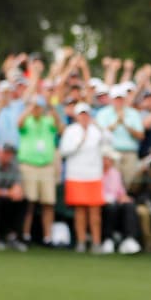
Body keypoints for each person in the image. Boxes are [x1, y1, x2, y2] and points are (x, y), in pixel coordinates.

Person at [60, 102, 106, 252]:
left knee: (95, 212)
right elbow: (64, 151)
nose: (84, 117)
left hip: (94, 175)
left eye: (86, 114)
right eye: (81, 114)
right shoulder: (71, 131)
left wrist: (97, 126)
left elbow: (109, 140)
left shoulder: (96, 130)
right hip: (76, 175)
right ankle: (81, 241)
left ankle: (96, 242)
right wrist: (80, 141)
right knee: (80, 211)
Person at [16, 96, 61, 246]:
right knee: (29, 202)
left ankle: (48, 237)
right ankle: (26, 235)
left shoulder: (48, 120)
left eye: (39, 107)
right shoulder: (27, 120)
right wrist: (30, 107)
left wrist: (51, 105)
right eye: (35, 107)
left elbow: (60, 127)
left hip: (46, 166)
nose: (37, 110)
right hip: (29, 165)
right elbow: (19, 123)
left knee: (48, 203)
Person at [100, 149, 142, 255]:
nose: (107, 162)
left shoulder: (115, 173)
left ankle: (129, 239)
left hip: (115, 202)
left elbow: (120, 192)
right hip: (101, 204)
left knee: (129, 206)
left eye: (109, 159)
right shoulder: (95, 173)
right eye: (105, 159)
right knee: (111, 208)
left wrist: (124, 197)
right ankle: (107, 240)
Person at [0, 145, 27, 251]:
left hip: (8, 197)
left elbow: (17, 187)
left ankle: (14, 236)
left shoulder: (14, 166)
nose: (8, 156)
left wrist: (15, 191)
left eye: (10, 154)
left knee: (22, 201)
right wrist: (6, 192)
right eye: (6, 153)